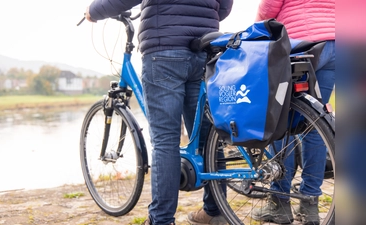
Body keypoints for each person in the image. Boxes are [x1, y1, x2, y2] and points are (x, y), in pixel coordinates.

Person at [85, 1, 234, 225]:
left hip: (165, 48)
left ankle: (161, 220)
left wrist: (95, 11)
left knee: (166, 141)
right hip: (205, 48)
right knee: (208, 139)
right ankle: (215, 212)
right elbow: (224, 7)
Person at [251, 0, 335, 224]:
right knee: (316, 122)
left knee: (281, 120)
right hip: (336, 42)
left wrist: (257, 29)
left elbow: (270, 6)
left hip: (302, 43)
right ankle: (310, 205)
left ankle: (279, 202)